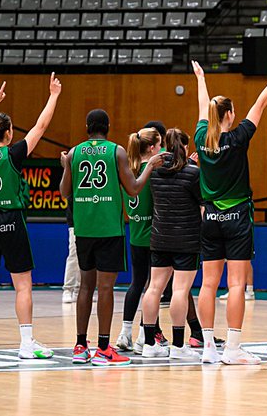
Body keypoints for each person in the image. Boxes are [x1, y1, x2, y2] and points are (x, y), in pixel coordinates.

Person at [191, 55, 267, 364]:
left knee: (208, 283)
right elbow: (261, 103)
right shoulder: (238, 138)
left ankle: (208, 347)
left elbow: (201, 106)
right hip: (236, 217)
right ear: (229, 114)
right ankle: (233, 348)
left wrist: (200, 79)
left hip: (210, 217)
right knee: (236, 283)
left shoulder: (200, 138)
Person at [0, 77, 61, 361]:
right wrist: (53, 96)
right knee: (23, 285)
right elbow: (40, 127)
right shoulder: (13, 154)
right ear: (8, 133)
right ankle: (25, 342)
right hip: (10, 220)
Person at [60, 108, 163, 366]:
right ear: (107, 126)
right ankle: (104, 348)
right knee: (105, 288)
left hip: (83, 229)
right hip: (108, 229)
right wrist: (149, 166)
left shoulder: (74, 153)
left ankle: (80, 345)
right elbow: (134, 187)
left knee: (85, 287)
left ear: (87, 126)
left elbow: (64, 191)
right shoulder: (116, 151)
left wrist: (65, 166)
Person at [138, 128, 206, 361]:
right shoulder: (192, 173)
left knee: (153, 288)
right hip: (186, 240)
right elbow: (203, 202)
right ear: (185, 146)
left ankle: (148, 343)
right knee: (180, 290)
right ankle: (178, 347)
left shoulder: (156, 173)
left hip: (159, 238)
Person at [114, 127, 163, 354]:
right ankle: (145, 335)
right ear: (152, 148)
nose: (162, 149)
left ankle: (124, 333)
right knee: (153, 288)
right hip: (153, 237)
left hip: (135, 235)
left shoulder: (128, 170)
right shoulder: (152, 172)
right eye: (160, 145)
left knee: (136, 284)